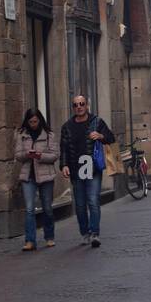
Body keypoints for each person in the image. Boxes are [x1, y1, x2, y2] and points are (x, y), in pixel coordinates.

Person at [60, 94, 115, 248]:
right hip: (76, 169)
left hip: (93, 168)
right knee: (79, 204)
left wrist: (101, 136)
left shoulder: (96, 122)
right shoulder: (67, 127)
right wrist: (64, 165)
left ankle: (95, 233)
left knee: (93, 200)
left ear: (87, 105)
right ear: (73, 108)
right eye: (76, 105)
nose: (79, 107)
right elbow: (63, 148)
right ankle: (85, 232)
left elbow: (111, 138)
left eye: (82, 104)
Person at [14, 107, 58, 251]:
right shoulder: (22, 135)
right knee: (29, 209)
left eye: (35, 121)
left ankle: (49, 237)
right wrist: (28, 154)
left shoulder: (49, 135)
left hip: (45, 175)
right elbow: (18, 155)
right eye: (31, 121)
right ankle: (30, 240)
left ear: (40, 120)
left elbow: (54, 155)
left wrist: (40, 156)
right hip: (28, 176)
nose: (33, 124)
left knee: (47, 208)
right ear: (27, 121)